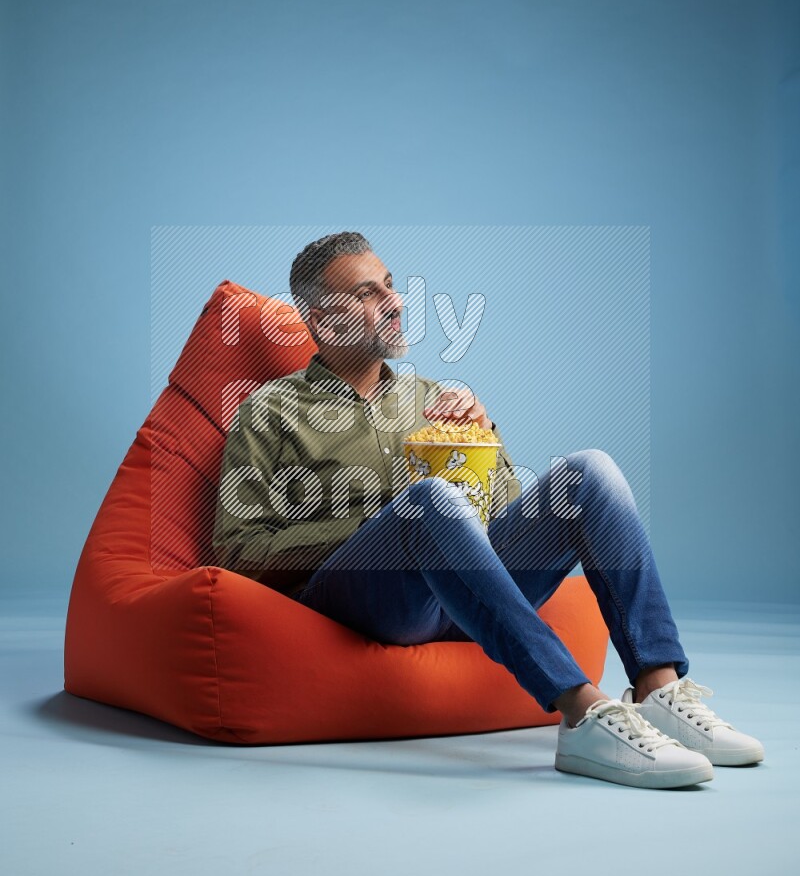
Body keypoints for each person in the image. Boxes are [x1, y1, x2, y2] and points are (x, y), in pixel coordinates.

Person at [212, 231, 764, 789]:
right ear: (318, 318)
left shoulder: (432, 397)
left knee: (589, 471)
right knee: (428, 501)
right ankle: (583, 714)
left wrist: (482, 439)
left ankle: (658, 689)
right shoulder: (270, 410)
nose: (395, 302)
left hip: (466, 597)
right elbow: (237, 549)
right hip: (370, 601)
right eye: (366, 293)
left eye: (391, 287)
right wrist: (384, 521)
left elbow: (498, 510)